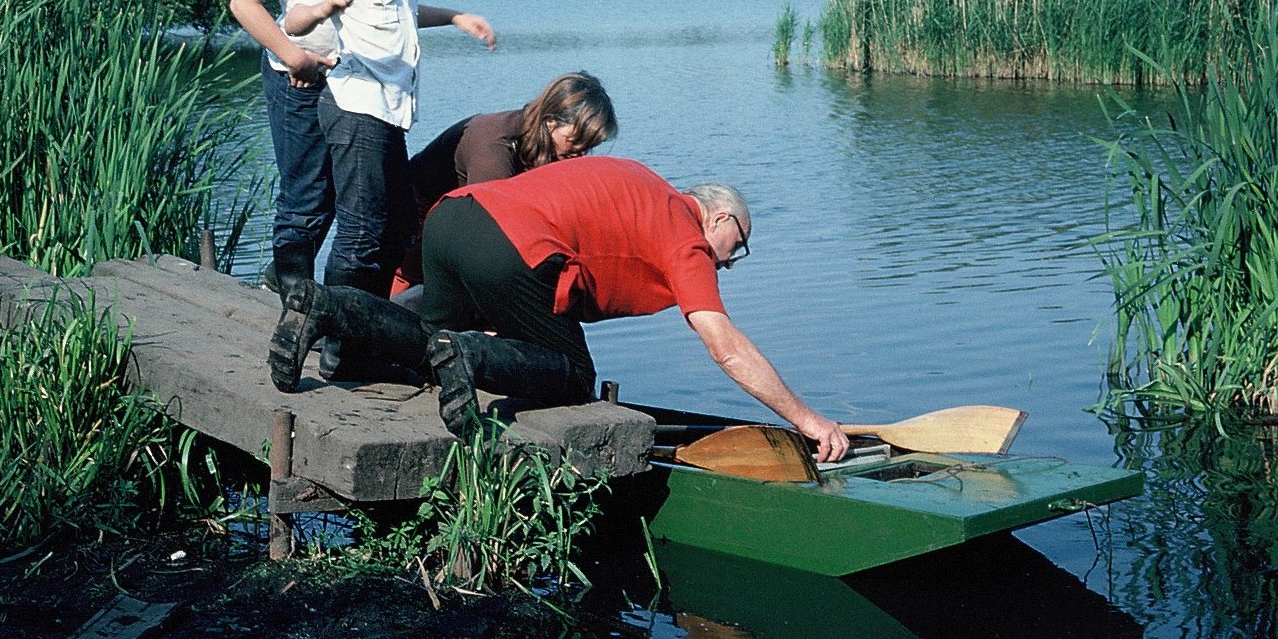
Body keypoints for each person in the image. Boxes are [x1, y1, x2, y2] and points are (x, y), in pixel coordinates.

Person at [266, 155, 853, 462]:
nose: (728, 263)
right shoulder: (685, 232)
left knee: (424, 346)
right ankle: (468, 355)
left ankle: (328, 306)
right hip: (513, 243)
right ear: (721, 218)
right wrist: (808, 420)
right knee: (573, 375)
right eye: (737, 248)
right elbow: (724, 346)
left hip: (454, 217)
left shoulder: (641, 181)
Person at [281, 0, 494, 374]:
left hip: (387, 113)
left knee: (397, 223)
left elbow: (406, 13)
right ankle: (339, 347)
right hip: (356, 107)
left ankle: (365, 334)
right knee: (361, 231)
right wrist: (324, 8)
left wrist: (457, 17)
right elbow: (293, 19)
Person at [227, 0, 349, 293]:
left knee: (340, 194)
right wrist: (294, 55)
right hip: (296, 77)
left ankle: (286, 282)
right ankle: (284, 297)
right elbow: (243, 2)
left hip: (347, 77)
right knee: (305, 197)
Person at [392, 71, 618, 302]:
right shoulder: (494, 145)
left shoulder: (548, 147)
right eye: (575, 141)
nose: (580, 153)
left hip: (454, 226)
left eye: (589, 146)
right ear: (551, 121)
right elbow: (488, 230)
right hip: (413, 232)